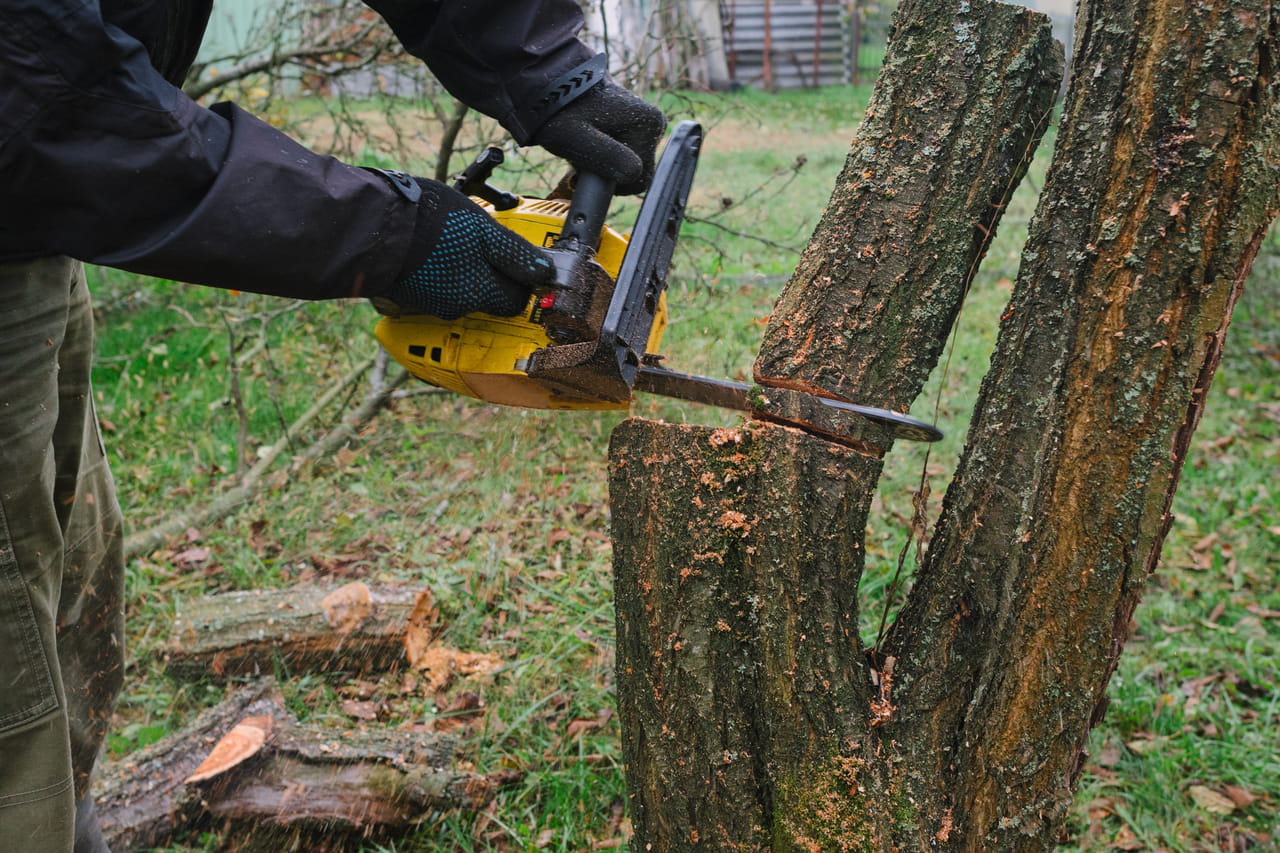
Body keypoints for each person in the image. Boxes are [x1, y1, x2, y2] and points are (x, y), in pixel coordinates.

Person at [0, 1, 665, 849]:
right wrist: (391, 234)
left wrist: (547, 73)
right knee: (11, 687)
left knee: (69, 613)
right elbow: (40, 103)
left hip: (28, 225)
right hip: (30, 154)